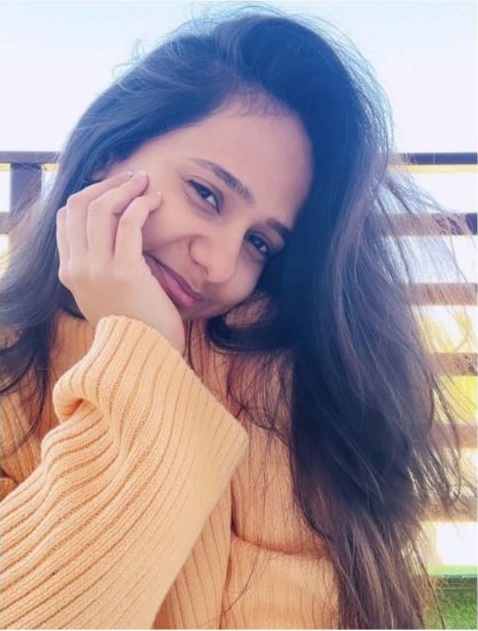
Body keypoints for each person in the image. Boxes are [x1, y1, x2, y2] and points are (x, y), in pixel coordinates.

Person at [0, 5, 472, 629]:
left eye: (260, 243)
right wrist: (143, 360)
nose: (221, 264)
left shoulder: (279, 379)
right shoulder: (12, 370)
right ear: (107, 153)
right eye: (206, 193)